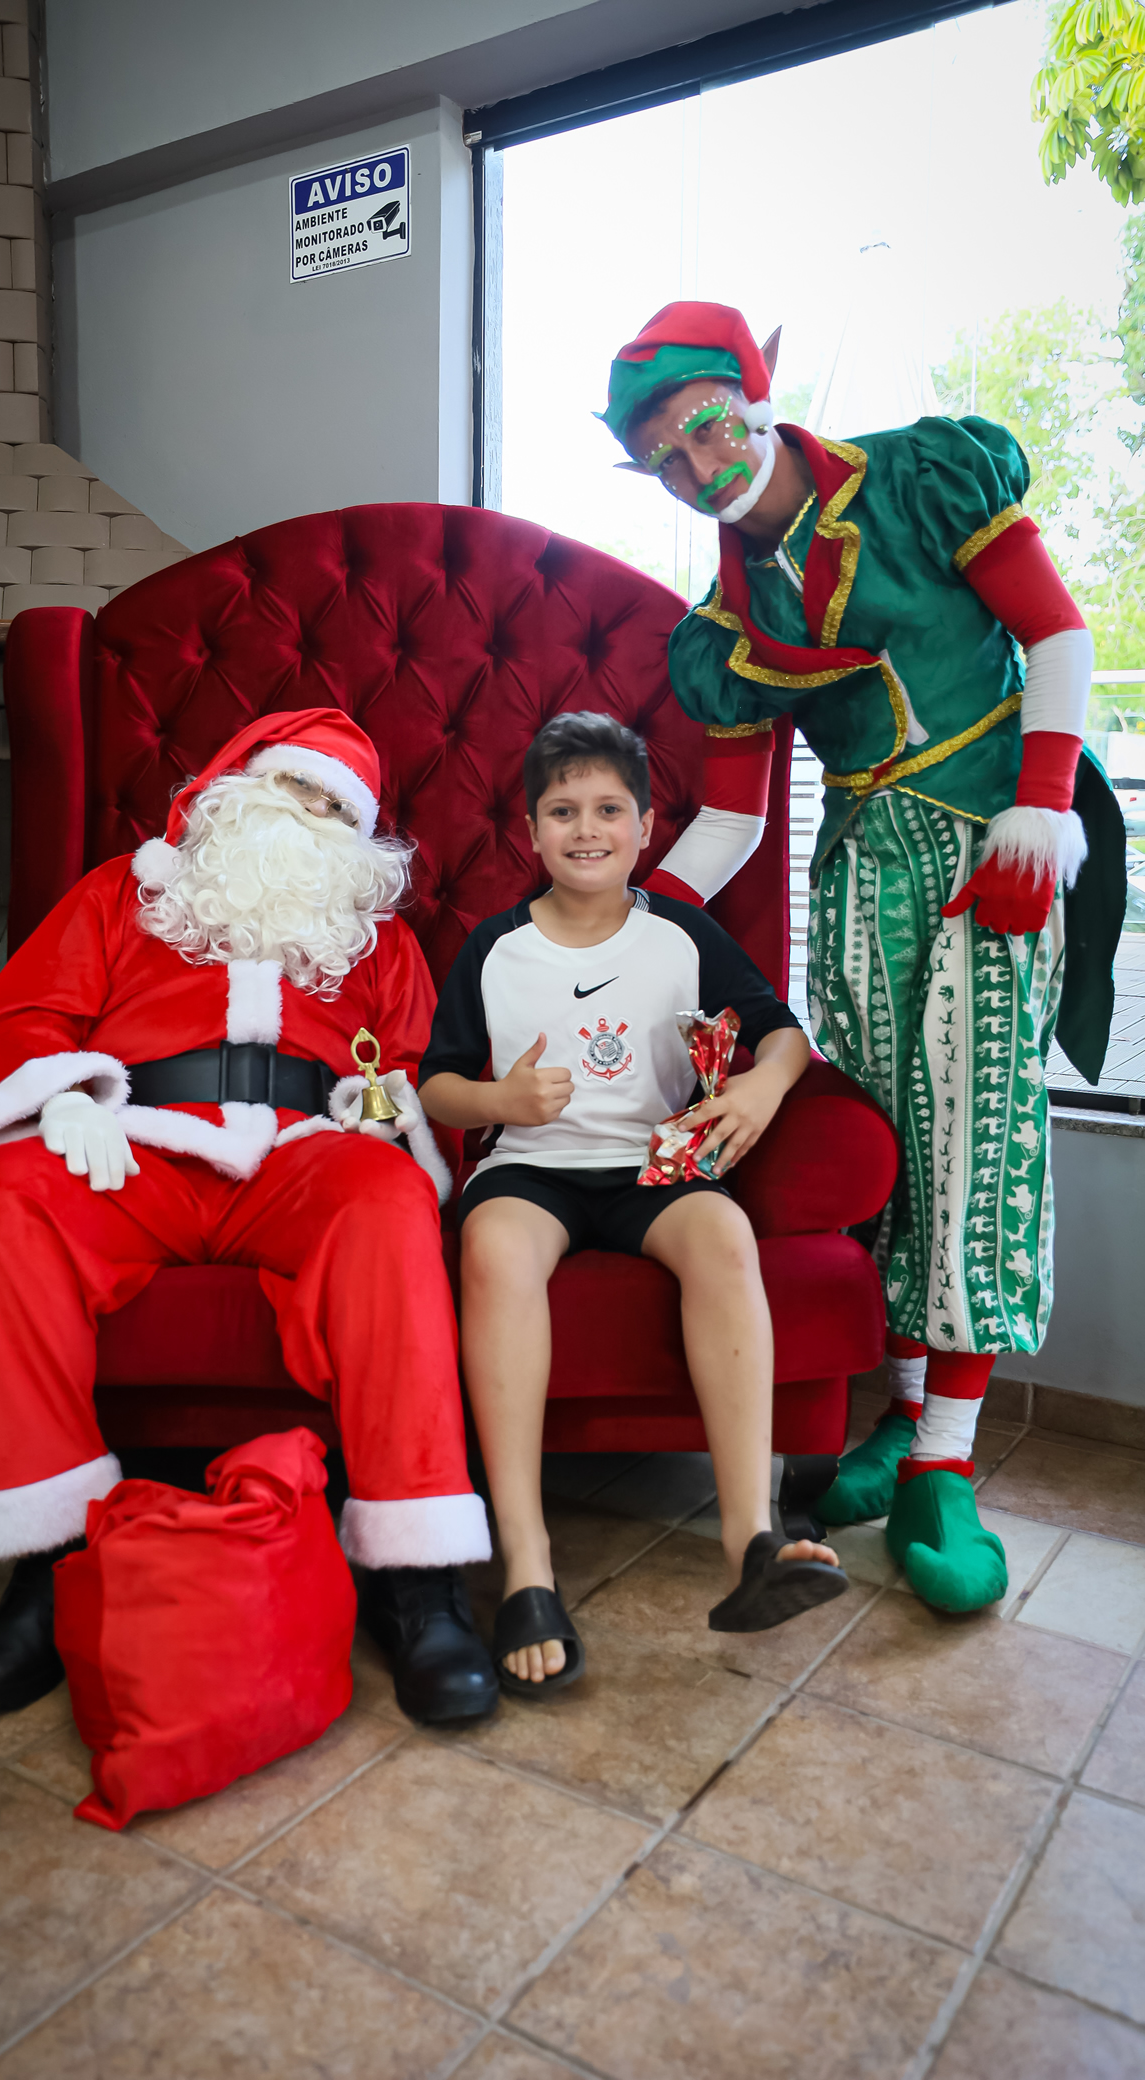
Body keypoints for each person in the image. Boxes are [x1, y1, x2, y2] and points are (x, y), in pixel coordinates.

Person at [599, 301, 1124, 1612]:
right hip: (857, 880)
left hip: (992, 852)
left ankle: (945, 1463)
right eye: (661, 456)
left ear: (757, 395)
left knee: (977, 1144)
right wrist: (627, 916)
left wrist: (1041, 805)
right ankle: (901, 1414)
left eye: (705, 426)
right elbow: (734, 820)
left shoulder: (916, 480)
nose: (695, 464)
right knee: (889, 1149)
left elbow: (1059, 634)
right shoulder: (729, 620)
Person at [0, 707, 499, 1727]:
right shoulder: (123, 892)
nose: (312, 814)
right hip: (134, 1146)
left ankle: (414, 1575)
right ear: (237, 785)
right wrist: (62, 1096)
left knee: (390, 1199)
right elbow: (24, 1018)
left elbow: (415, 1066)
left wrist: (380, 1120)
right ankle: (48, 1561)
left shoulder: (378, 939)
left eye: (337, 808)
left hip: (302, 1152)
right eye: (296, 787)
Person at [419, 711, 847, 1693]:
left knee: (725, 1233)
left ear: (646, 827)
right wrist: (498, 1101)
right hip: (532, 1168)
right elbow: (435, 1082)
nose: (587, 828)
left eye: (608, 809)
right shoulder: (494, 947)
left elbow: (781, 1032)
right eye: (563, 810)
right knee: (494, 1249)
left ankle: (750, 1538)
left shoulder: (683, 935)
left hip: (656, 1165)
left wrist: (763, 1085)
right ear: (532, 831)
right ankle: (526, 1563)